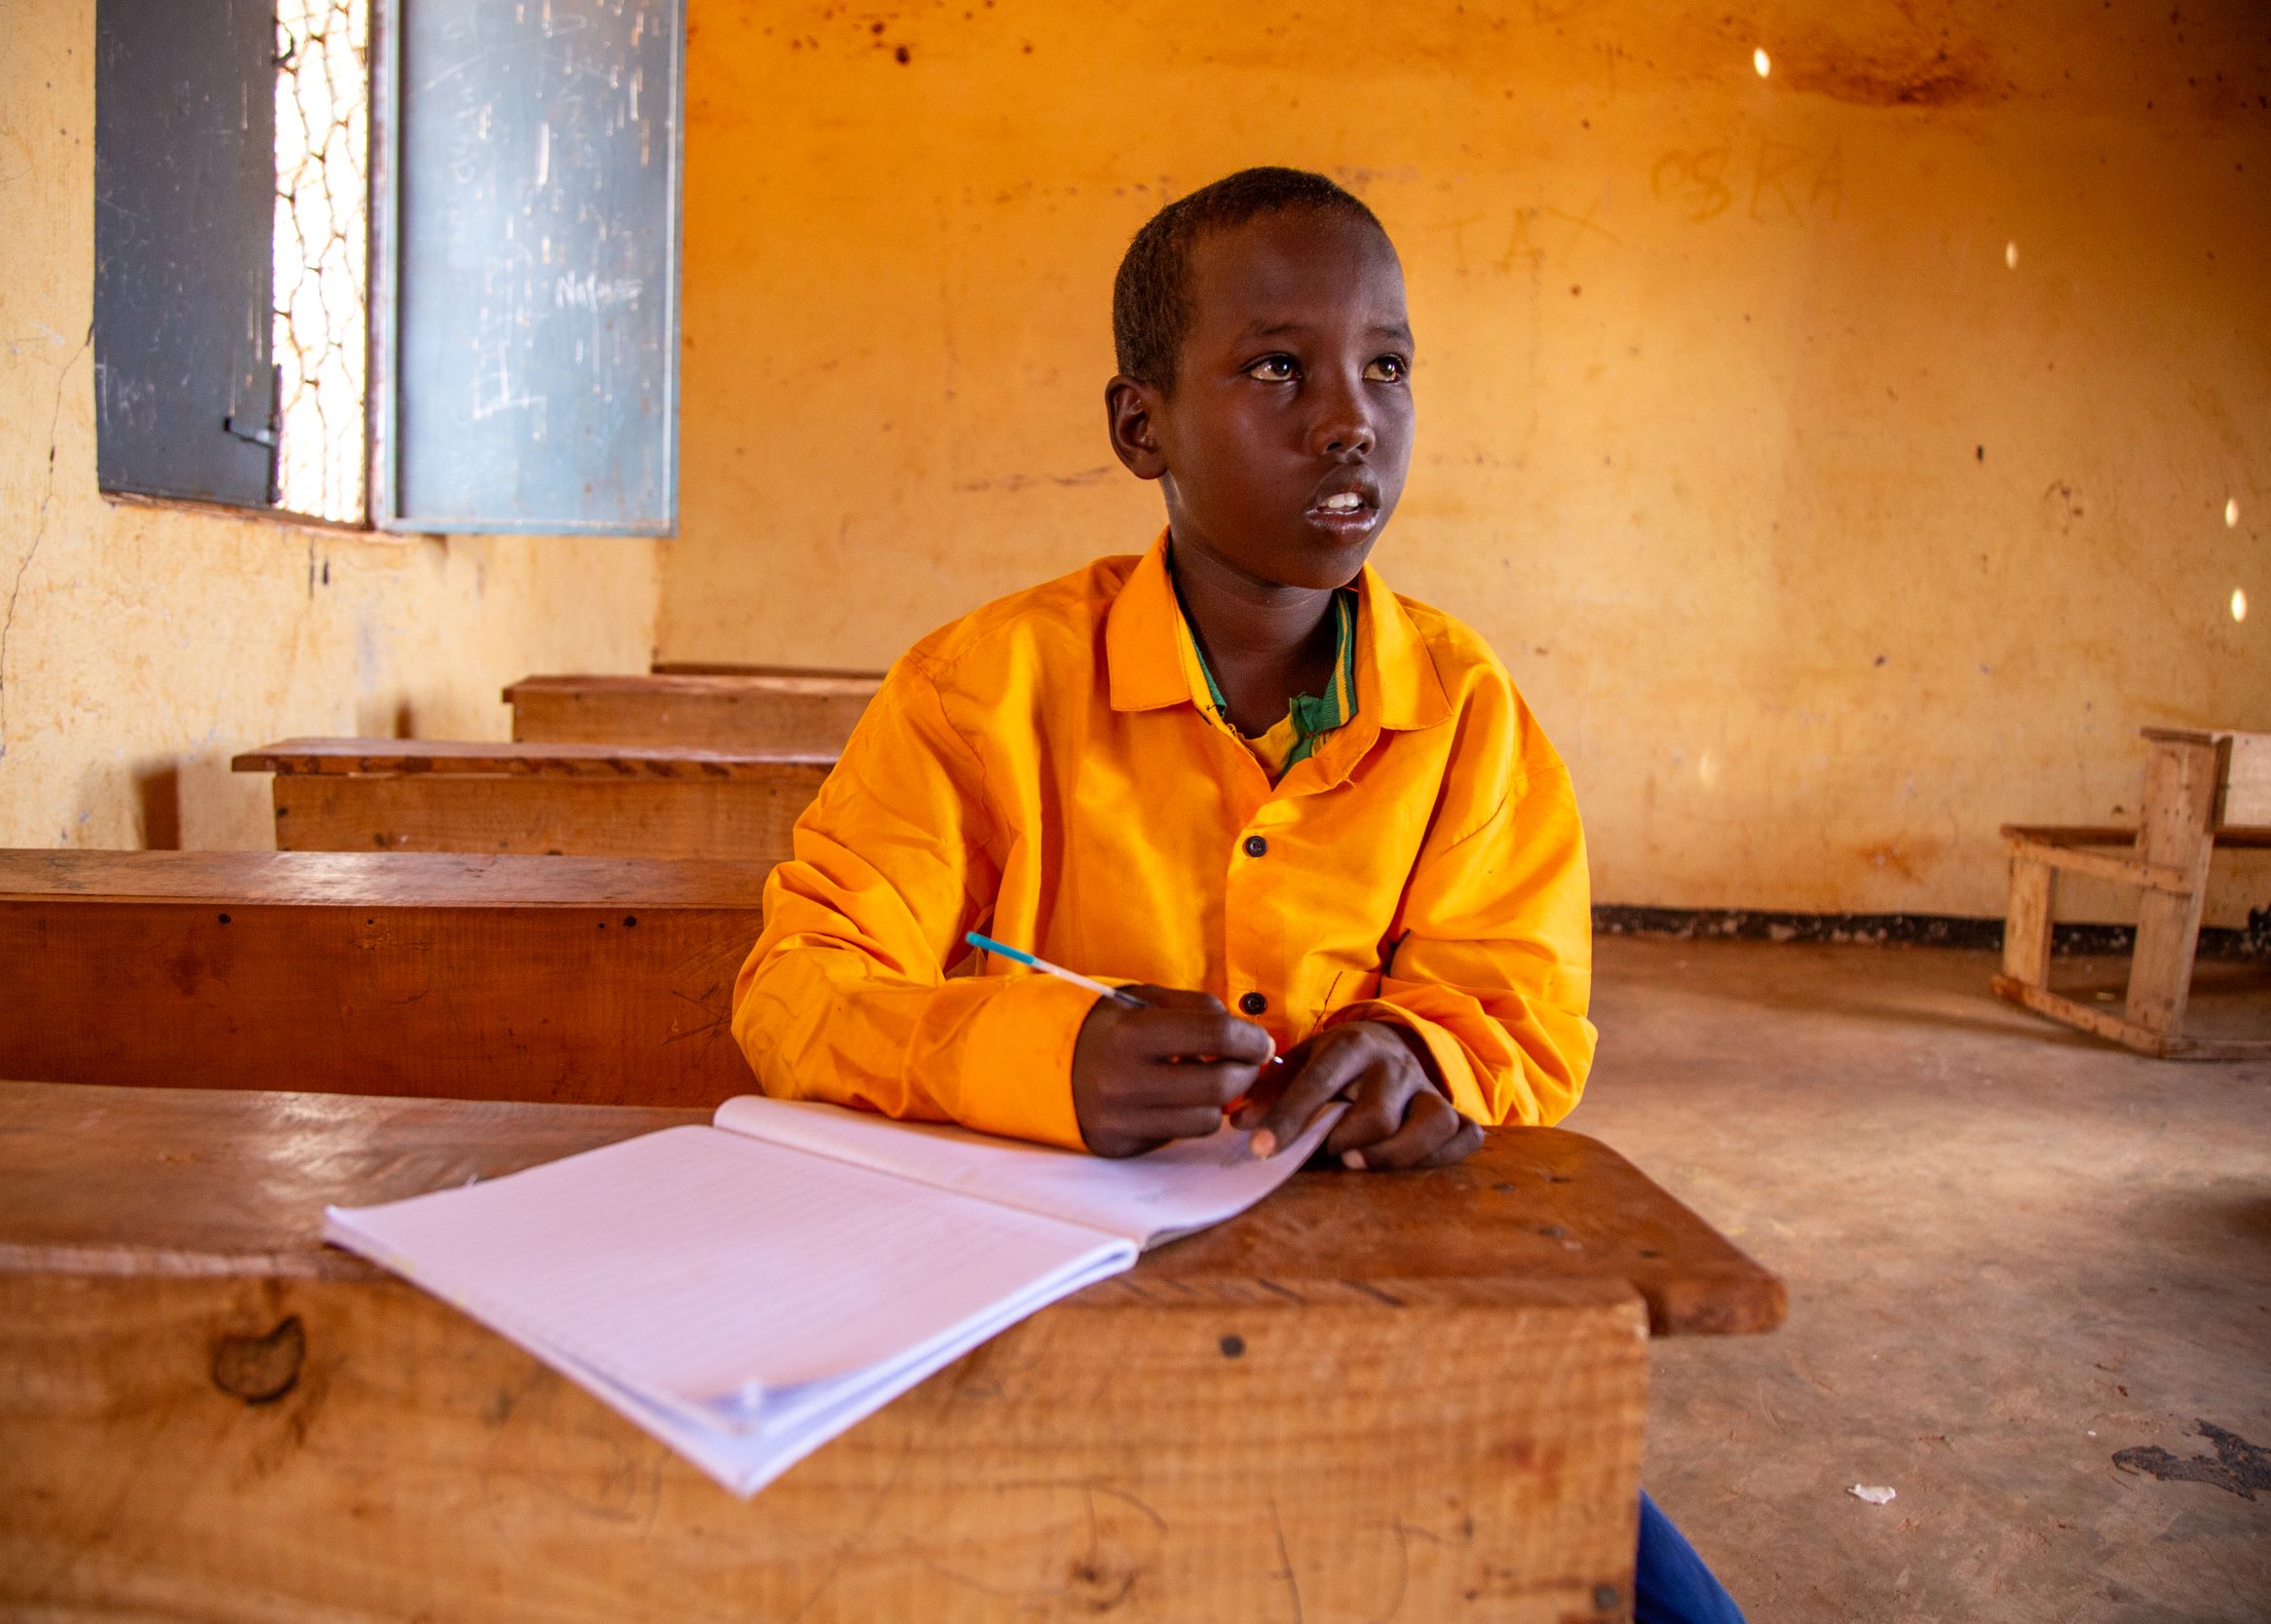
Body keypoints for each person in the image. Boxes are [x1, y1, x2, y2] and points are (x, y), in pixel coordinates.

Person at [732, 166, 1743, 1623]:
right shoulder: (979, 693)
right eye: (1278, 367)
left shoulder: (1466, 714)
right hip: (1034, 1304)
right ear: (1141, 426)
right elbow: (798, 985)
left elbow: (1522, 1007)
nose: (1350, 420)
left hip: (1380, 1314)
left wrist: (1423, 1057)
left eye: (1385, 367)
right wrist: (1042, 1058)